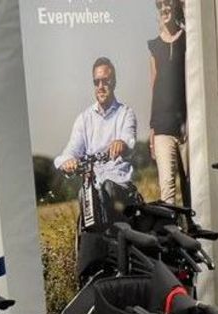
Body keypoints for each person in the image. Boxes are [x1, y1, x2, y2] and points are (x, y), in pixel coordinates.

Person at [54, 57, 137, 186]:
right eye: (96, 82)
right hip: (92, 184)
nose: (100, 87)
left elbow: (129, 139)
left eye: (105, 81)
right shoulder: (83, 119)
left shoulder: (126, 113)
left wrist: (122, 143)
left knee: (109, 188)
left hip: (118, 182)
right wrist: (68, 160)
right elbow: (71, 150)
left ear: (114, 82)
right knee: (83, 196)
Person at [148, 0, 189, 205]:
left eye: (168, 3)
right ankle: (172, 233)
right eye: (160, 5)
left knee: (192, 184)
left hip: (188, 126)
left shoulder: (189, 38)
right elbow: (154, 86)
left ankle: (194, 229)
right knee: (167, 188)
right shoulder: (154, 46)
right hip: (163, 127)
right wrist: (152, 130)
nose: (164, 8)